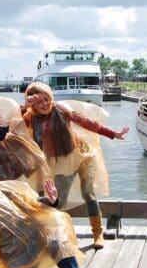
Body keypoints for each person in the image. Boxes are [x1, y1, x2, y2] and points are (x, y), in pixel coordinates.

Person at [13, 82, 128, 249]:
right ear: (32, 104)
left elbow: (85, 122)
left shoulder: (60, 109)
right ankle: (56, 235)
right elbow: (14, 128)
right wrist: (24, 107)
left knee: (88, 193)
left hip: (83, 156)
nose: (44, 104)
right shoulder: (29, 117)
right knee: (58, 200)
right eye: (38, 102)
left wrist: (112, 133)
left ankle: (97, 233)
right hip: (61, 163)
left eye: (46, 99)